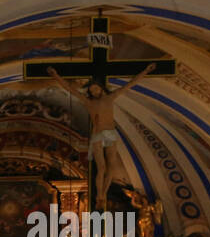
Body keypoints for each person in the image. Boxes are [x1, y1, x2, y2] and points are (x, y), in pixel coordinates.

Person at [48, 63, 156, 207]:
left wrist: (146, 70)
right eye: (91, 90)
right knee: (102, 167)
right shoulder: (88, 102)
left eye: (95, 88)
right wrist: (55, 76)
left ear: (101, 88)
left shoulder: (109, 98)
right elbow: (70, 89)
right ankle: (99, 194)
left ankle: (103, 194)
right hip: (98, 135)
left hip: (110, 133)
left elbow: (130, 84)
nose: (93, 91)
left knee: (111, 165)